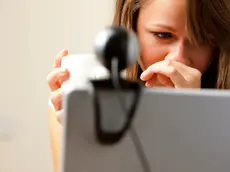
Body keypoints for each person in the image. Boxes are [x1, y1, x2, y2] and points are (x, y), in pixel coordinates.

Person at [46, 0, 230, 171]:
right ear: (131, 29)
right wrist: (81, 137)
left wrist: (193, 121)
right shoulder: (83, 103)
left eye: (202, 39)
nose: (178, 57)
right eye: (163, 35)